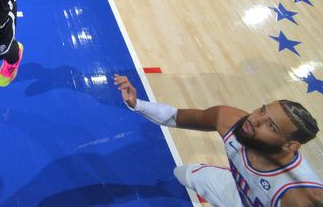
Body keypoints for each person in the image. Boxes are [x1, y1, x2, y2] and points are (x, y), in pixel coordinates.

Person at [114, 75, 323, 206]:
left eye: (271, 126)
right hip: (237, 193)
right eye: (262, 110)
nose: (255, 120)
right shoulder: (229, 119)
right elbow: (174, 117)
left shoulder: (300, 196)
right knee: (184, 173)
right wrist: (137, 104)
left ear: (290, 146)